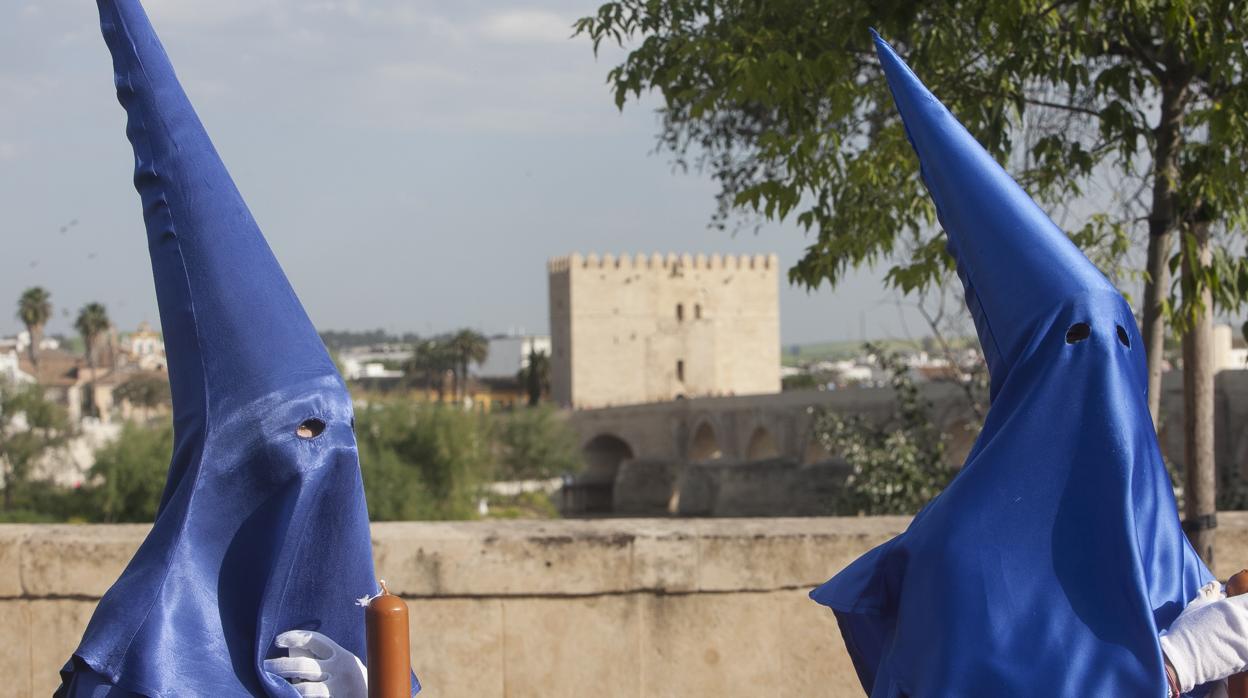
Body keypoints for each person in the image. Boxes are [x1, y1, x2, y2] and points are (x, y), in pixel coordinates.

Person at [812, 33, 1216, 697]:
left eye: (1121, 340)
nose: (1103, 368)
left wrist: (1202, 654)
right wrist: (1161, 670)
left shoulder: (1160, 538)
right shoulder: (954, 553)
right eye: (1079, 339)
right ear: (1034, 371)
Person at [57, 2, 418, 695]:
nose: (327, 455)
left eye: (335, 428)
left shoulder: (355, 659)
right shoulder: (132, 665)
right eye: (301, 429)